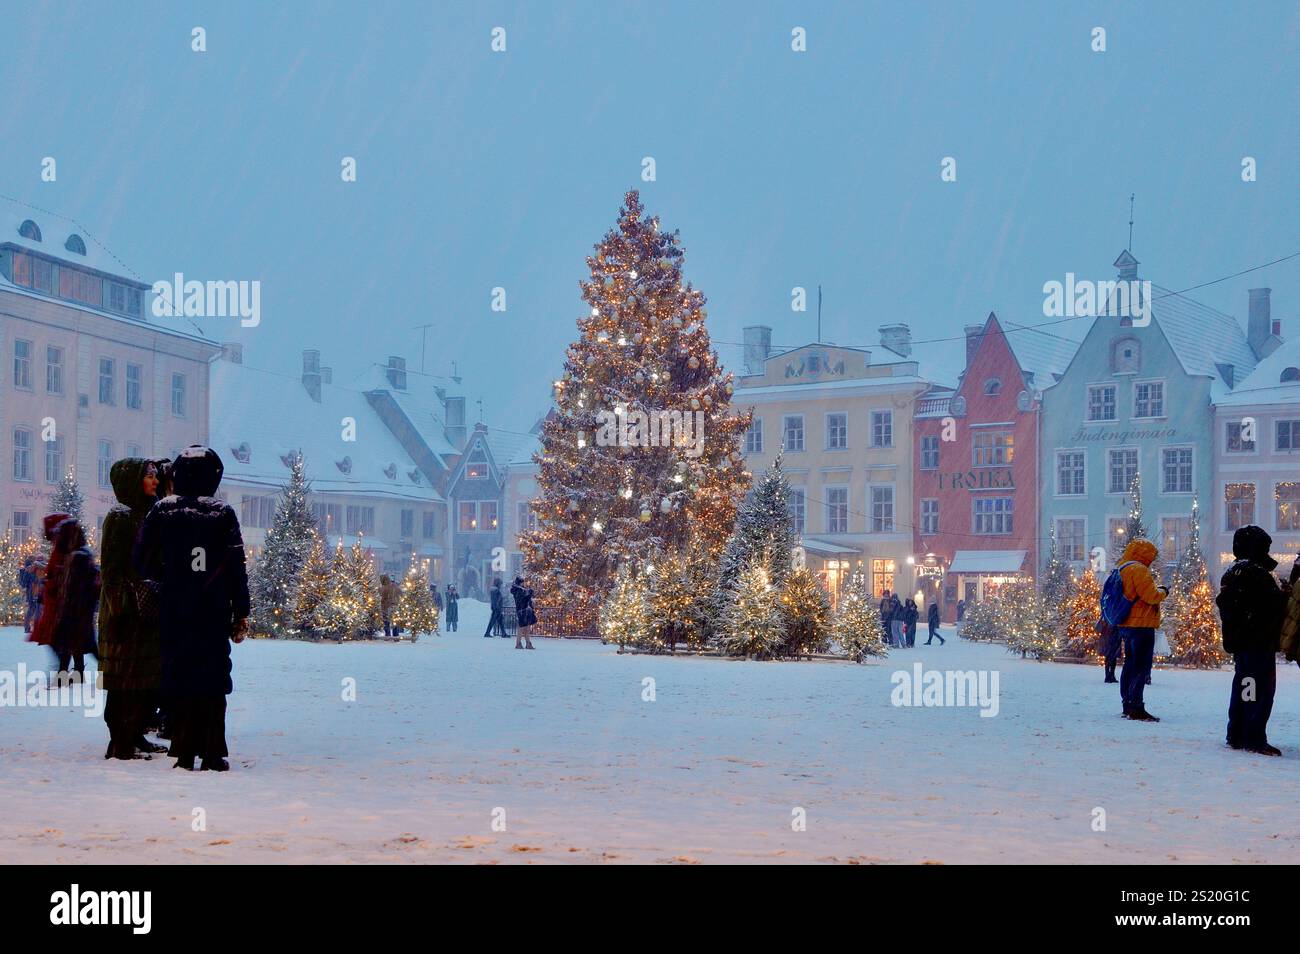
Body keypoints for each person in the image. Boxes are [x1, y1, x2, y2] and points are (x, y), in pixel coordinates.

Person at [136, 446, 250, 772]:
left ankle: (184, 750)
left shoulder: (162, 511)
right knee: (213, 679)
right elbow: (236, 568)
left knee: (181, 675)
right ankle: (213, 750)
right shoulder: (222, 514)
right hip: (213, 612)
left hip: (176, 610)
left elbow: (142, 562)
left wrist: (170, 580)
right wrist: (240, 610)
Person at [99, 459, 167, 760]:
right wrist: (123, 606)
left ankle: (135, 734)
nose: (155, 480)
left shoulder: (148, 513)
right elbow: (111, 571)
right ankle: (120, 743)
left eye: (155, 475)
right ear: (132, 480)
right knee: (122, 681)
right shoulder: (120, 517)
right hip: (124, 614)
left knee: (142, 679)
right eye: (149, 476)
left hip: (145, 610)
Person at [1217, 526, 1290, 756]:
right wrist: (1285, 596)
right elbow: (1271, 606)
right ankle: (1254, 737)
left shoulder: (1232, 571)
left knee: (1244, 685)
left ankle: (1236, 733)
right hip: (1257, 641)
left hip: (1241, 641)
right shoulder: (1256, 574)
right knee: (1258, 689)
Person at [1112, 539, 1168, 722]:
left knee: (1129, 665)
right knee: (1141, 667)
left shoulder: (1121, 568)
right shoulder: (1139, 570)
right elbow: (1151, 596)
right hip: (1141, 625)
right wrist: (1163, 592)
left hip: (1125, 624)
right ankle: (1136, 707)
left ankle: (1127, 704)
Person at [49, 519, 100, 684]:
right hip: (77, 610)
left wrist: (70, 606)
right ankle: (72, 674)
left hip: (76, 610)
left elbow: (78, 586)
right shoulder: (80, 554)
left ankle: (66, 675)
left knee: (72, 643)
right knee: (74, 644)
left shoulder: (79, 557)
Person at [27, 512, 72, 668]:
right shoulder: (60, 549)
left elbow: (58, 574)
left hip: (58, 602)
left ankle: (63, 671)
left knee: (57, 638)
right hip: (55, 602)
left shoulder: (62, 551)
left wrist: (49, 585)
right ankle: (63, 670)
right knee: (57, 638)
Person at [511, 576, 536, 650]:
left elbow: (523, 600)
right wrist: (529, 596)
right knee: (522, 628)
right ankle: (520, 643)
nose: (523, 583)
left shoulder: (520, 590)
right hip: (522, 610)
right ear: (519, 583)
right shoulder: (519, 590)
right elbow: (522, 601)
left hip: (524, 610)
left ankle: (526, 643)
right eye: (522, 582)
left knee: (525, 628)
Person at [379, 575, 401, 639]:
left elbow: (382, 597)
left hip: (385, 606)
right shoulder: (395, 586)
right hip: (394, 606)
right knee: (394, 621)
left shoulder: (383, 588)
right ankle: (395, 635)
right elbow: (401, 593)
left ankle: (387, 635)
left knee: (386, 621)